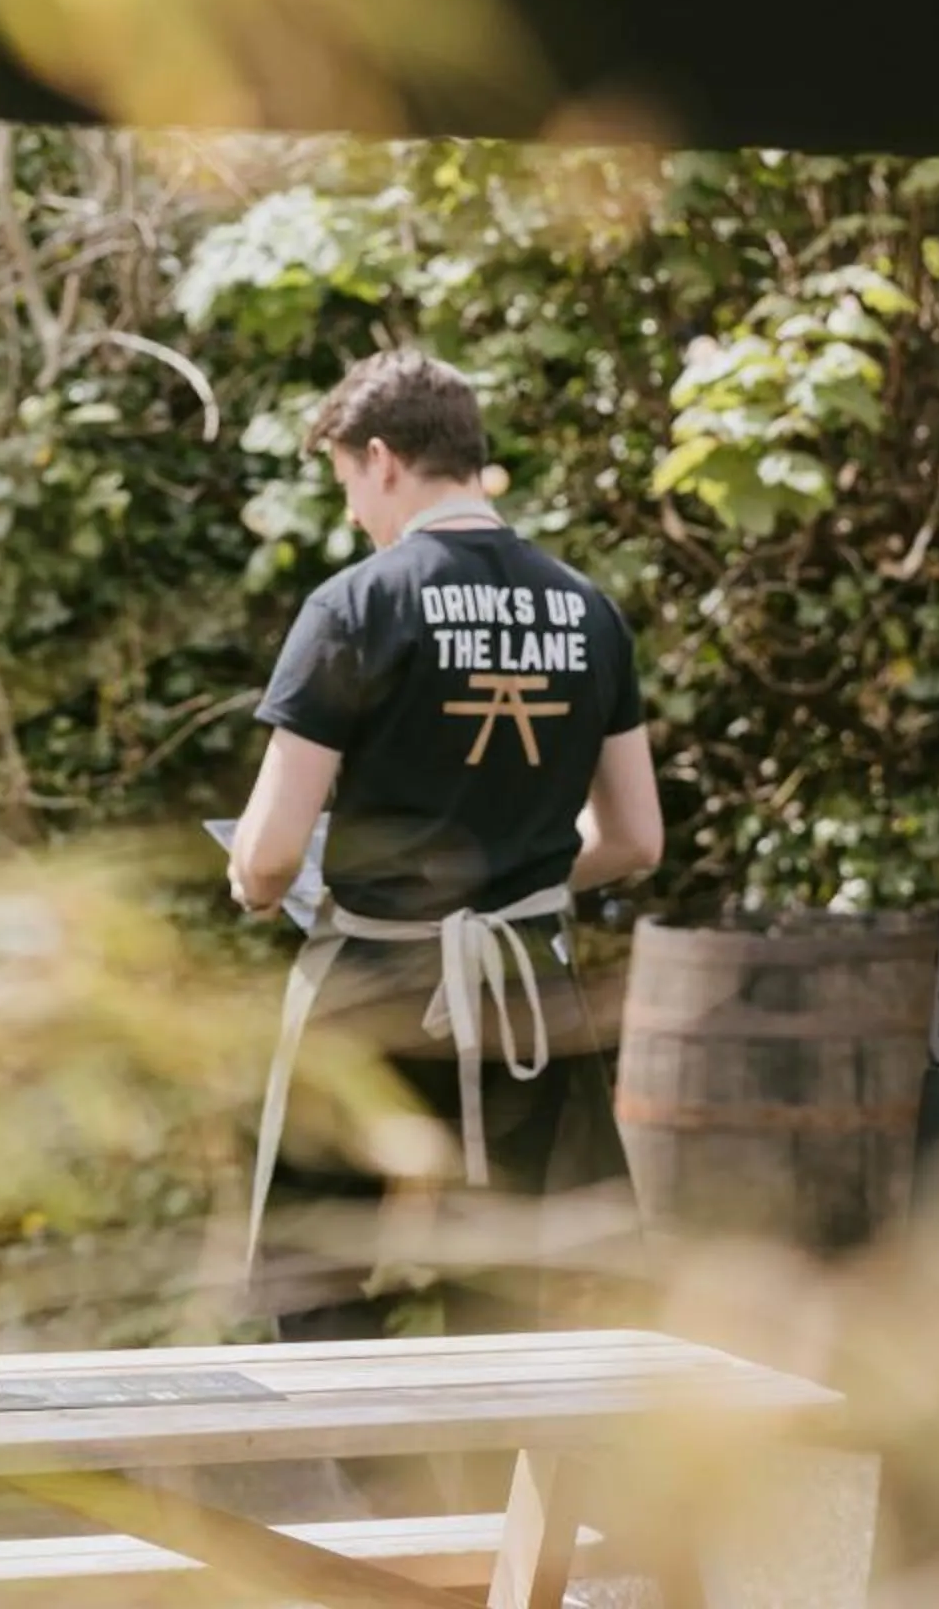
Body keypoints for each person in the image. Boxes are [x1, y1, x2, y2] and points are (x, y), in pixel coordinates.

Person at [228, 349, 663, 1348]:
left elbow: (268, 858)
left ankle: (363, 1451)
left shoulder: (355, 606)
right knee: (508, 1284)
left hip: (374, 996)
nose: (354, 514)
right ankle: (491, 1453)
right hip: (527, 994)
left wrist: (253, 879)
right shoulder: (589, 609)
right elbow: (635, 838)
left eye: (347, 482)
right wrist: (504, 885)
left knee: (320, 1266)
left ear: (382, 459)